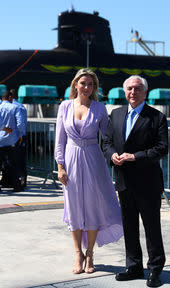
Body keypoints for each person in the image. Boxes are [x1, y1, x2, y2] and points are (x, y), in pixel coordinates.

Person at [54, 69, 123, 274]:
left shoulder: (100, 108)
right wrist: (60, 166)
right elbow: (60, 140)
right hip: (71, 159)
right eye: (83, 83)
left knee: (92, 207)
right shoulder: (64, 106)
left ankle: (90, 253)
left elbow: (108, 136)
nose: (86, 87)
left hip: (93, 160)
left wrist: (121, 150)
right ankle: (78, 253)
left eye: (90, 84)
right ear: (75, 84)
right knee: (74, 207)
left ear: (94, 88)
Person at [102, 75, 168, 287]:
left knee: (151, 228)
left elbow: (162, 148)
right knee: (129, 227)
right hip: (124, 181)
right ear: (125, 91)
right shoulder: (116, 114)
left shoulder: (157, 117)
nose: (133, 92)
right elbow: (107, 142)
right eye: (129, 88)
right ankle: (133, 266)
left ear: (145, 92)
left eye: (137, 89)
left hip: (148, 182)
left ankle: (155, 269)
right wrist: (111, 155)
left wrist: (135, 156)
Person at [0, 91, 24, 191]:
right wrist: (20, 134)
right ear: (9, 97)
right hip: (12, 139)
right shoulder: (15, 108)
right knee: (13, 163)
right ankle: (16, 185)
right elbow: (20, 123)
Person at [10, 89, 28, 189]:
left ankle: (16, 180)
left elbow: (20, 123)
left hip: (15, 136)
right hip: (21, 136)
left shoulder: (14, 106)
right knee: (21, 159)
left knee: (14, 160)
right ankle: (23, 179)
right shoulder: (21, 106)